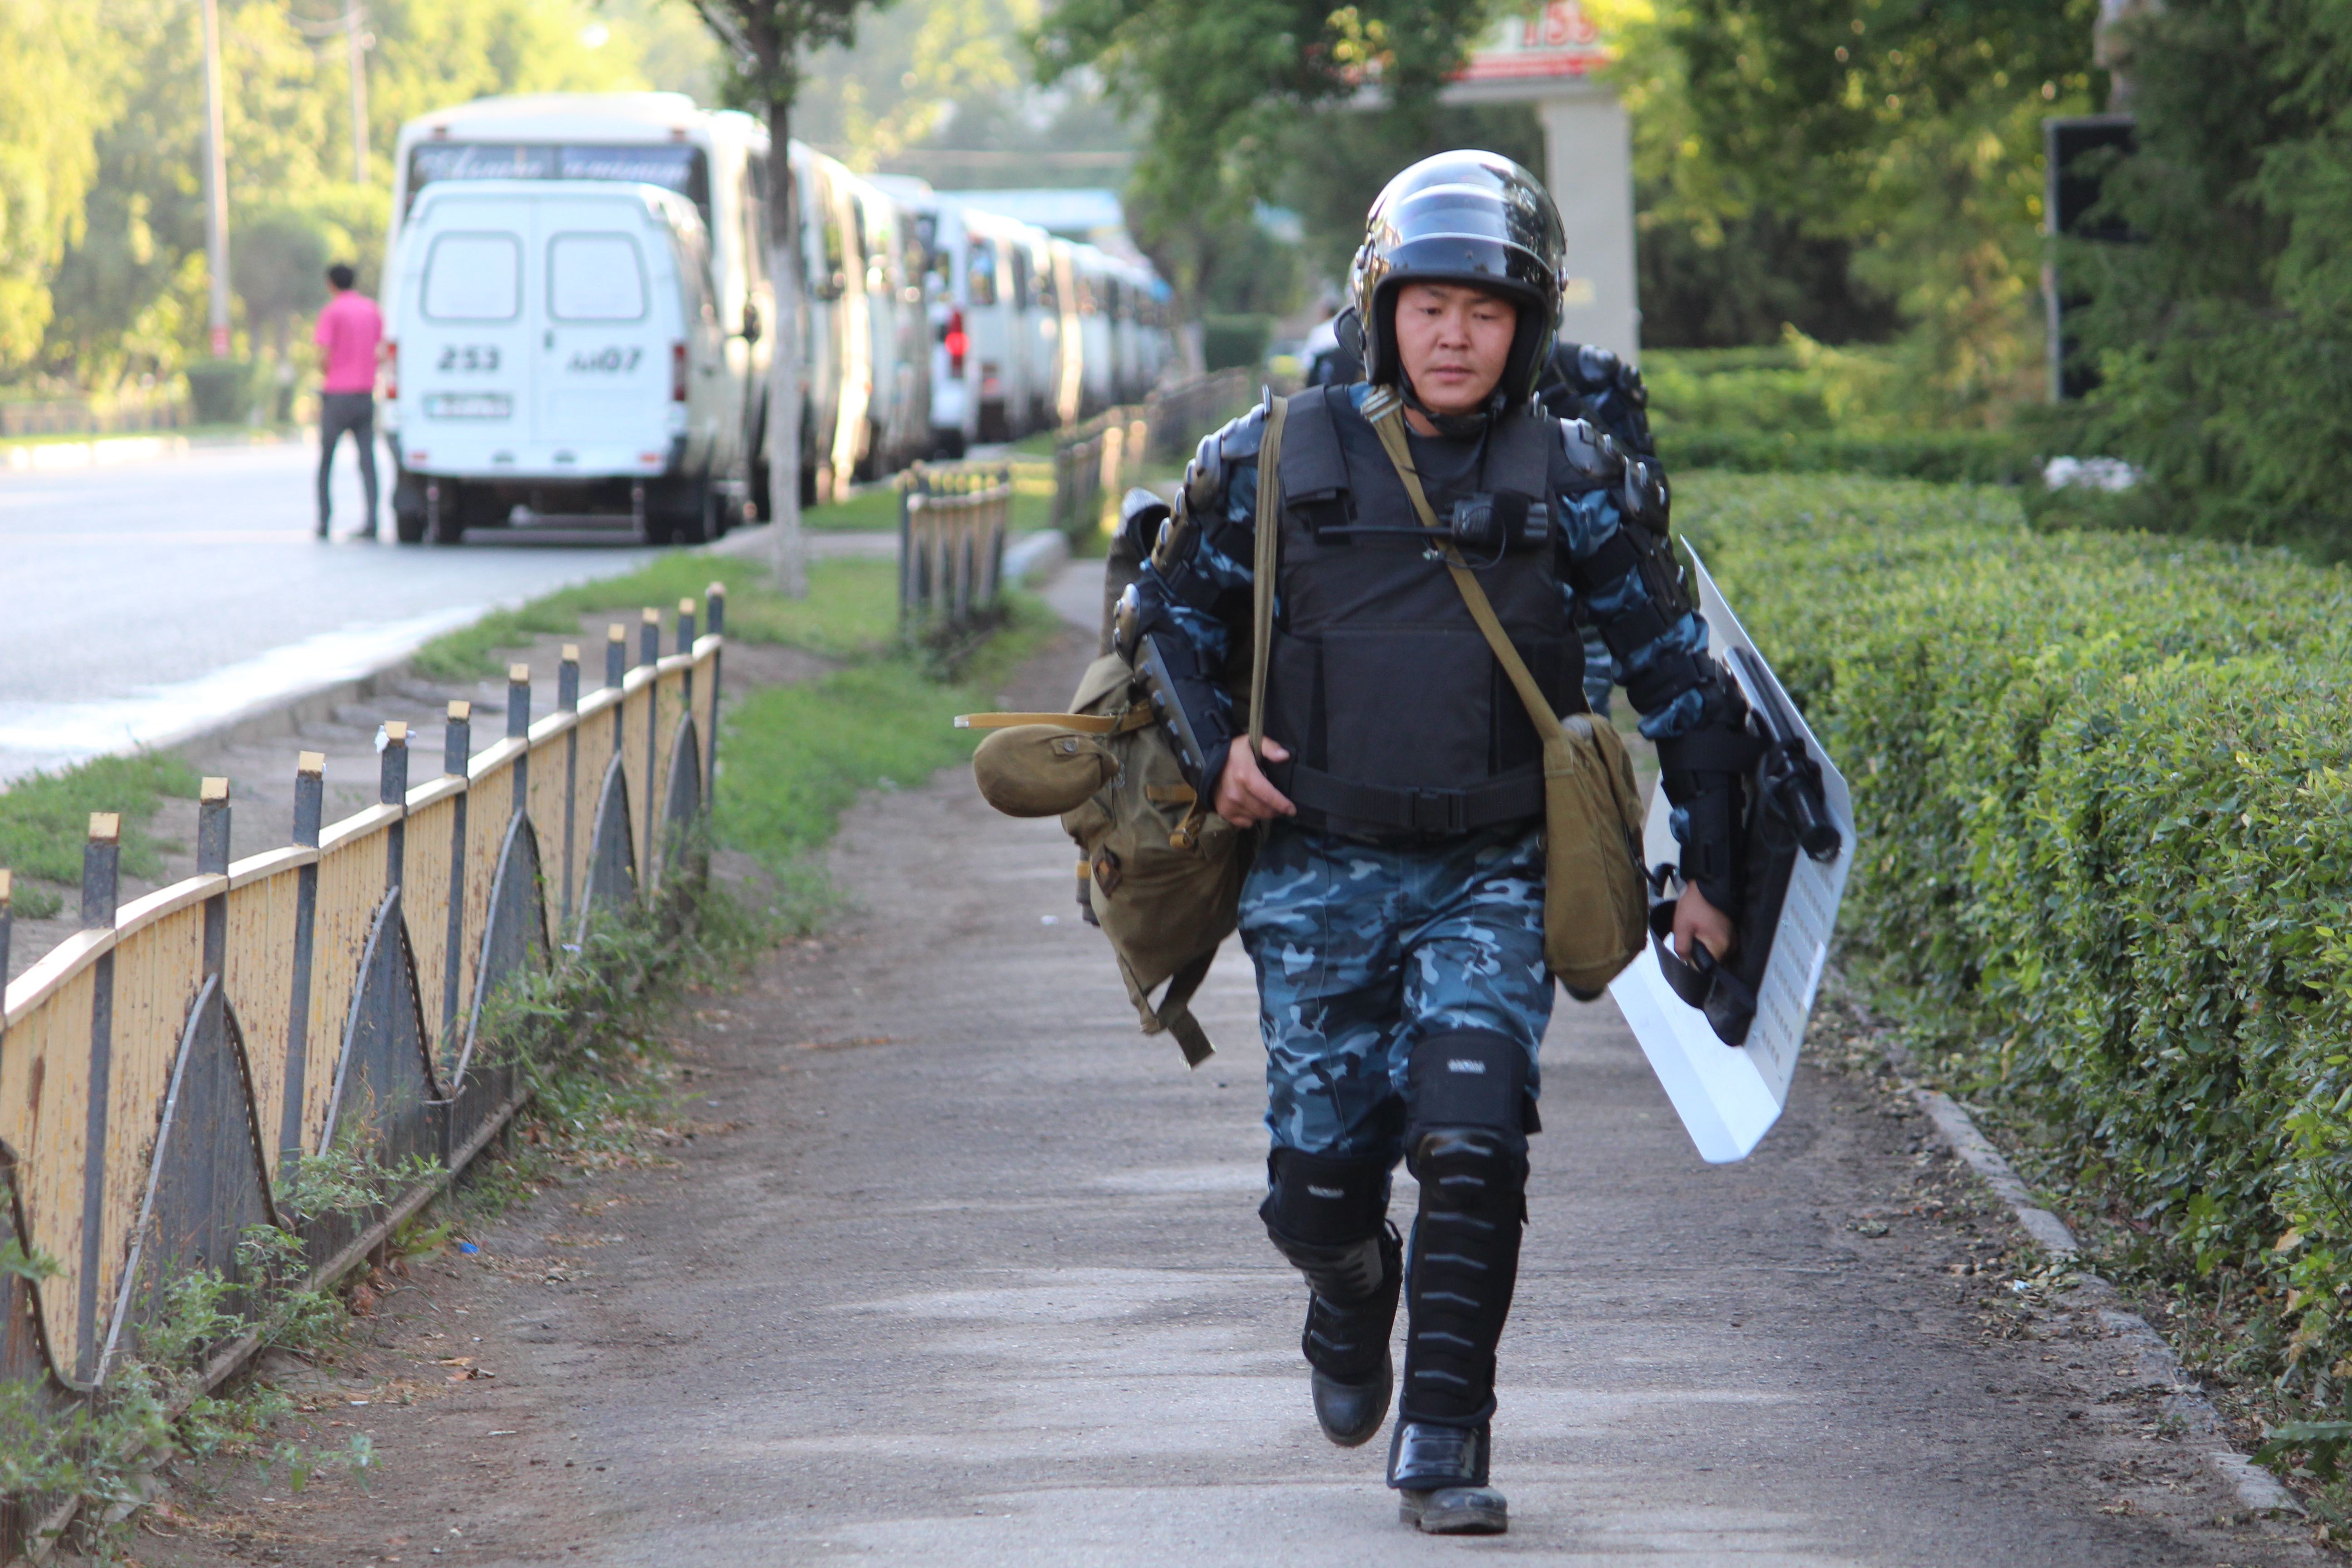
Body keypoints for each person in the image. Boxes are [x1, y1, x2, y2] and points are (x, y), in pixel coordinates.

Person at [1115, 152, 1751, 1535]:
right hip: (1319, 871)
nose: (1454, 335)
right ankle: (1350, 1293)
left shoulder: (1574, 477)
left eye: (1485, 309)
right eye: (1429, 306)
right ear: (1380, 307)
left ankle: (1445, 1436)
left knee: (1476, 1138)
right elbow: (1162, 619)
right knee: (1317, 1189)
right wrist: (1215, 743)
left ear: (1528, 326)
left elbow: (1684, 686)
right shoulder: (1277, 458)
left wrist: (1710, 880)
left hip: (1496, 871)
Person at [313, 262, 383, 540]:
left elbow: (323, 355)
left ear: (331, 284)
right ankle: (372, 522)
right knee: (368, 461)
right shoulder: (372, 310)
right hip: (365, 394)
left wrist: (330, 373)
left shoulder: (332, 312)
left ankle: (324, 522)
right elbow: (381, 350)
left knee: (327, 461)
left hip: (337, 396)